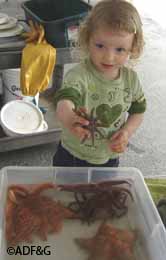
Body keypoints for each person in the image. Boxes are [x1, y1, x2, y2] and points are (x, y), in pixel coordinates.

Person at [53, 0, 146, 167]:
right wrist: (71, 119)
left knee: (104, 192)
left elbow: (138, 112)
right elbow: (63, 102)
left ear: (133, 47)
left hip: (109, 156)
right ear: (88, 39)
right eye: (100, 46)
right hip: (72, 155)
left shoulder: (131, 80)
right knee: (65, 191)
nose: (109, 57)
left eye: (119, 49)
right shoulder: (79, 75)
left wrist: (126, 132)